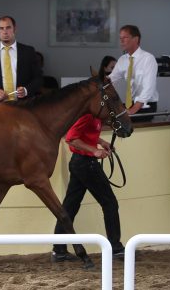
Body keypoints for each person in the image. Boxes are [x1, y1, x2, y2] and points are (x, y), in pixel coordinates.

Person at [51, 55, 125, 263]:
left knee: (70, 207)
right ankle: (116, 247)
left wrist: (100, 141)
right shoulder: (88, 112)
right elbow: (71, 138)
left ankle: (58, 249)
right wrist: (93, 151)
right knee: (109, 202)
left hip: (81, 164)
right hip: (86, 164)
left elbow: (84, 134)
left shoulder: (97, 110)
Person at [0, 16, 43, 107]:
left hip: (23, 106)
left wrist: (26, 90)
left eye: (8, 27)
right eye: (1, 28)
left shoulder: (28, 51)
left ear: (14, 29)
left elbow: (39, 78)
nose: (5, 32)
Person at [109, 24, 159, 116]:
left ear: (135, 39)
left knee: (120, 120)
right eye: (120, 38)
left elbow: (149, 88)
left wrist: (133, 110)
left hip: (146, 105)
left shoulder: (148, 59)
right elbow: (110, 80)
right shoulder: (122, 60)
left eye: (125, 37)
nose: (121, 41)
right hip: (130, 104)